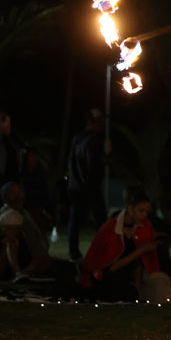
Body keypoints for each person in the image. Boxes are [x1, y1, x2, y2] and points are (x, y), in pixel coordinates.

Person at [79, 185, 161, 302]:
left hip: (127, 278)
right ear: (130, 209)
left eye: (147, 212)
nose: (144, 215)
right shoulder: (111, 228)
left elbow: (140, 264)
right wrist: (141, 250)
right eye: (141, 211)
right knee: (122, 292)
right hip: (105, 277)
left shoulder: (144, 227)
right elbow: (110, 267)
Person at [0, 182, 53, 282]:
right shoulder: (5, 214)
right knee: (11, 239)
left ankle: (24, 273)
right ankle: (16, 271)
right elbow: (0, 237)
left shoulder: (24, 214)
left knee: (45, 259)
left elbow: (35, 240)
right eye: (13, 192)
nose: (18, 195)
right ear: (5, 197)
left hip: (23, 253)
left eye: (19, 192)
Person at [66, 108, 106, 262]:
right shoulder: (93, 141)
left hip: (76, 186)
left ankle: (73, 252)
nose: (101, 125)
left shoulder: (77, 138)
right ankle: (104, 251)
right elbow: (92, 166)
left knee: (75, 221)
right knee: (102, 222)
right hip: (89, 187)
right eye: (99, 122)